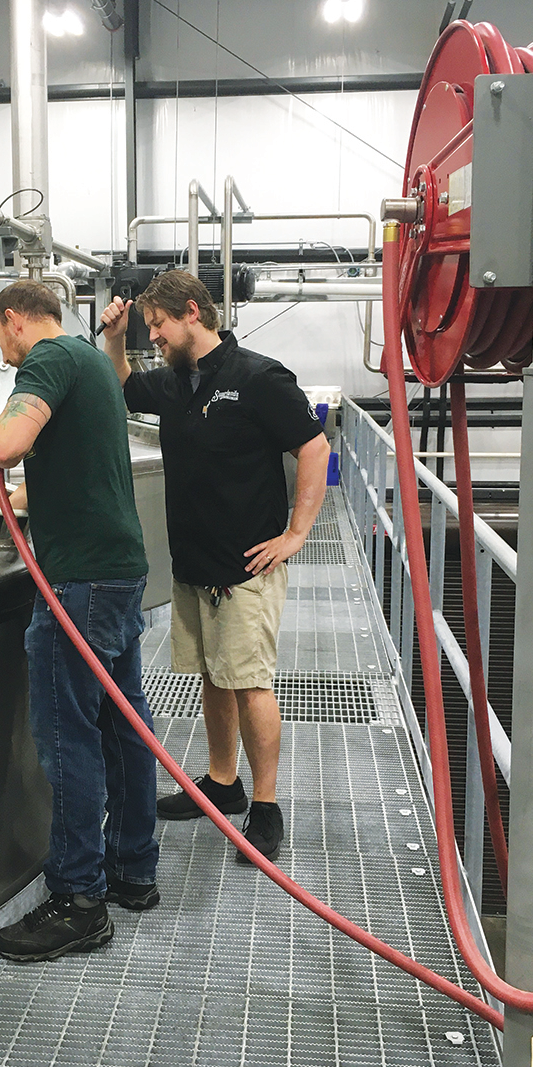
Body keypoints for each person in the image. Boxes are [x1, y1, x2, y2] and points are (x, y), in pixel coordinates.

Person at [99, 270, 330, 863]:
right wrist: (116, 338)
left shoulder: (257, 377)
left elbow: (314, 446)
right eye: (148, 326)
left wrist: (297, 533)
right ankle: (223, 783)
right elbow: (126, 387)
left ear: (193, 313)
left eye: (158, 325)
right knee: (212, 674)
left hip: (244, 568)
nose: (154, 336)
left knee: (250, 683)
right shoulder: (176, 383)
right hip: (194, 563)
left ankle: (267, 804)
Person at [0, 278, 160, 962]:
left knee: (69, 735)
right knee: (123, 721)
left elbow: (8, 443)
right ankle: (132, 870)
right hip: (119, 567)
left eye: (0, 339)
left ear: (16, 319)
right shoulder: (90, 361)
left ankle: (78, 900)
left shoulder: (49, 359)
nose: (3, 355)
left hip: (77, 580)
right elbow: (77, 462)